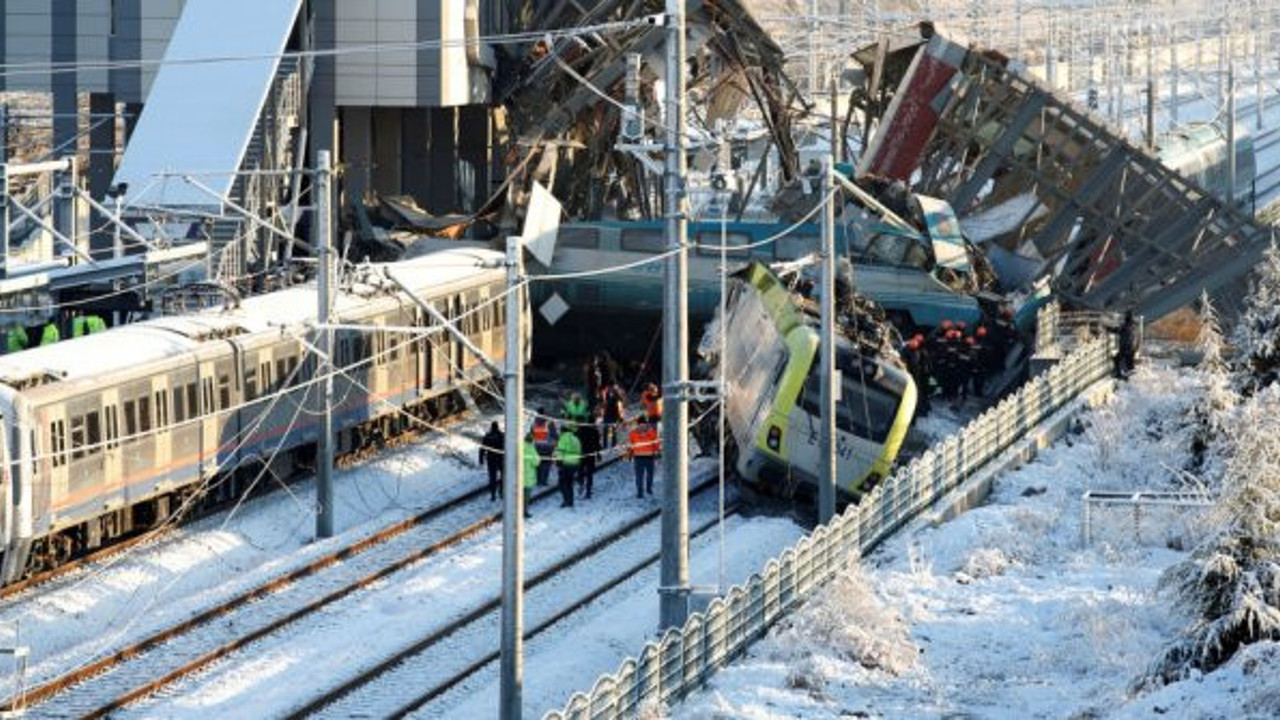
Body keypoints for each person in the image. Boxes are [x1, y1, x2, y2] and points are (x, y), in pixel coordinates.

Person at [627, 417, 661, 498]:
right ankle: (647, 489)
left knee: (640, 476)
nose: (642, 426)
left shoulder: (633, 433)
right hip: (647, 457)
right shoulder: (651, 432)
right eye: (641, 425)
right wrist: (658, 452)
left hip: (640, 457)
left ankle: (641, 491)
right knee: (649, 474)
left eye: (643, 424)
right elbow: (656, 443)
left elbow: (630, 446)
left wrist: (629, 454)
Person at [554, 424, 583, 507]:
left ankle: (566, 501)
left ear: (563, 431)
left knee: (562, 483)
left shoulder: (563, 438)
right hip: (575, 464)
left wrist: (558, 461)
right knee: (569, 483)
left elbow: (560, 451)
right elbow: (580, 451)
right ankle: (570, 501)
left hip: (566, 463)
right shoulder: (576, 439)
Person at [479, 421, 504, 502]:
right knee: (503, 476)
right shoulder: (502, 436)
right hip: (501, 459)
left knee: (492, 478)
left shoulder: (487, 436)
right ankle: (501, 492)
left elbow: (482, 448)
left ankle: (493, 495)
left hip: (491, 460)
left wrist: (481, 459)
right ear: (497, 427)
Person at [530, 411, 557, 486]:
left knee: (538, 464)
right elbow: (554, 435)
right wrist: (554, 444)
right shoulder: (549, 423)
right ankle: (544, 480)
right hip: (548, 447)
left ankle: (538, 480)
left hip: (537, 446)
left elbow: (531, 434)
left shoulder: (534, 423)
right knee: (546, 464)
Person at [576, 420, 601, 500]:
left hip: (581, 454)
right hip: (591, 454)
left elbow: (576, 443)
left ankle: (581, 483)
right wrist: (598, 454)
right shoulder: (595, 431)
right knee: (589, 474)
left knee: (580, 470)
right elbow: (597, 444)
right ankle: (588, 491)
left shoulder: (578, 431)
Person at [600, 383, 626, 448]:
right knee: (605, 431)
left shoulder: (618, 397)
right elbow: (603, 404)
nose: (612, 389)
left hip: (614, 416)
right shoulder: (606, 394)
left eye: (614, 389)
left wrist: (621, 418)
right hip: (607, 415)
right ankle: (605, 445)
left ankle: (613, 445)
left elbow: (621, 407)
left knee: (613, 431)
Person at [1117, 309, 1139, 378]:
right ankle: (1127, 371)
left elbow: (1119, 330)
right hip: (1131, 346)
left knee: (1119, 359)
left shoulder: (1127, 326)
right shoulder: (1134, 326)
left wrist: (1108, 329)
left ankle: (1121, 373)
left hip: (1126, 346)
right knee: (1128, 360)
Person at [521, 433, 539, 518]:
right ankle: (524, 512)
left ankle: (517, 512)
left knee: (518, 496)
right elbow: (536, 462)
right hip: (528, 477)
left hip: (518, 476)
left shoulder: (519, 447)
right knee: (526, 497)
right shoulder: (531, 449)